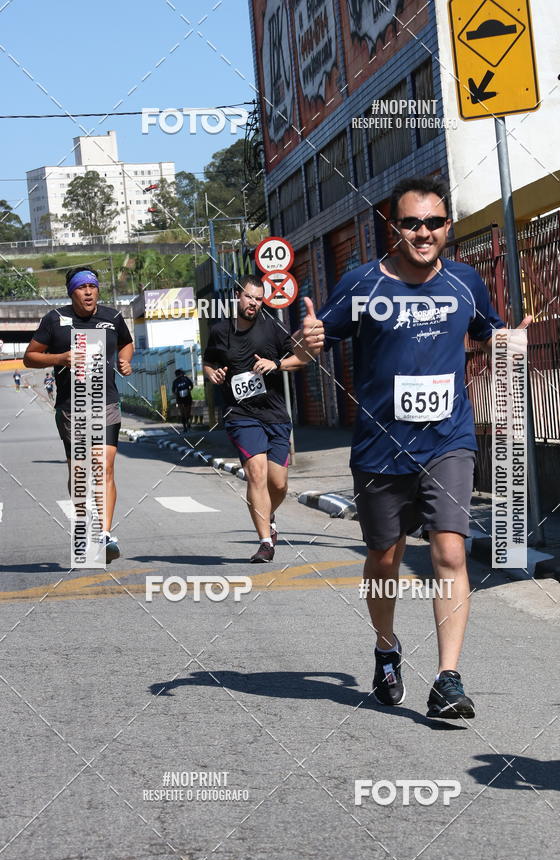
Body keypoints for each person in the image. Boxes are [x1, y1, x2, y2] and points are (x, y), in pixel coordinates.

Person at [296, 176, 531, 719]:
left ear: (447, 227)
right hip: (380, 449)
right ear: (393, 229)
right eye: (411, 223)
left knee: (449, 550)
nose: (423, 233)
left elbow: (490, 337)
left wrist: (508, 347)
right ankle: (386, 647)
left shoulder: (466, 282)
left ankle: (449, 679)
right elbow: (314, 342)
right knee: (384, 557)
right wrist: (306, 342)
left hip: (448, 440)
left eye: (434, 223)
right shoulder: (361, 286)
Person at [24, 266, 134, 563]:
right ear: (71, 293)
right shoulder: (55, 320)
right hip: (71, 406)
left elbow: (126, 342)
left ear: (98, 290)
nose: (88, 292)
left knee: (105, 466)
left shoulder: (112, 318)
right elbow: (30, 356)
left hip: (106, 402)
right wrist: (60, 358)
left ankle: (105, 534)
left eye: (93, 287)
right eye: (81, 288)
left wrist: (125, 361)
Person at [203, 274, 307, 563]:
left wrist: (276, 363)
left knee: (279, 484)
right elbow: (209, 363)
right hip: (240, 414)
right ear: (238, 296)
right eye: (249, 297)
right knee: (256, 473)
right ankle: (265, 542)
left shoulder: (272, 328)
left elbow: (300, 359)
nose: (254, 303)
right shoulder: (220, 331)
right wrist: (213, 373)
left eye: (259, 299)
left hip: (274, 414)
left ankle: (268, 513)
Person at [172, 368, 194, 433]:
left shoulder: (186, 379)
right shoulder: (175, 381)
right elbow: (173, 390)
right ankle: (185, 427)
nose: (179, 376)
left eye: (180, 374)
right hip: (179, 398)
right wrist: (176, 393)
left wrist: (189, 390)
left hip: (187, 397)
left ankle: (188, 423)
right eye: (178, 375)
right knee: (182, 413)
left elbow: (191, 385)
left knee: (188, 412)